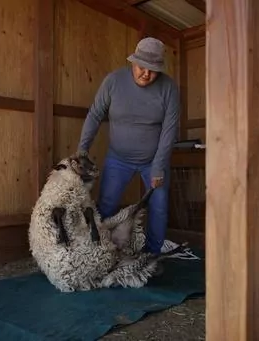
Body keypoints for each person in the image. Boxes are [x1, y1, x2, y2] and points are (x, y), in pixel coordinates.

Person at [76, 37, 180, 257]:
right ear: (133, 62)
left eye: (153, 70)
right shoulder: (113, 81)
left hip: (153, 161)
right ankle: (98, 252)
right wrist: (82, 149)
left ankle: (152, 255)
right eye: (142, 67)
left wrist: (159, 166)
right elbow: (95, 114)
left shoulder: (169, 88)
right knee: (105, 204)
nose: (146, 74)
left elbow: (170, 130)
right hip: (118, 158)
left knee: (159, 207)